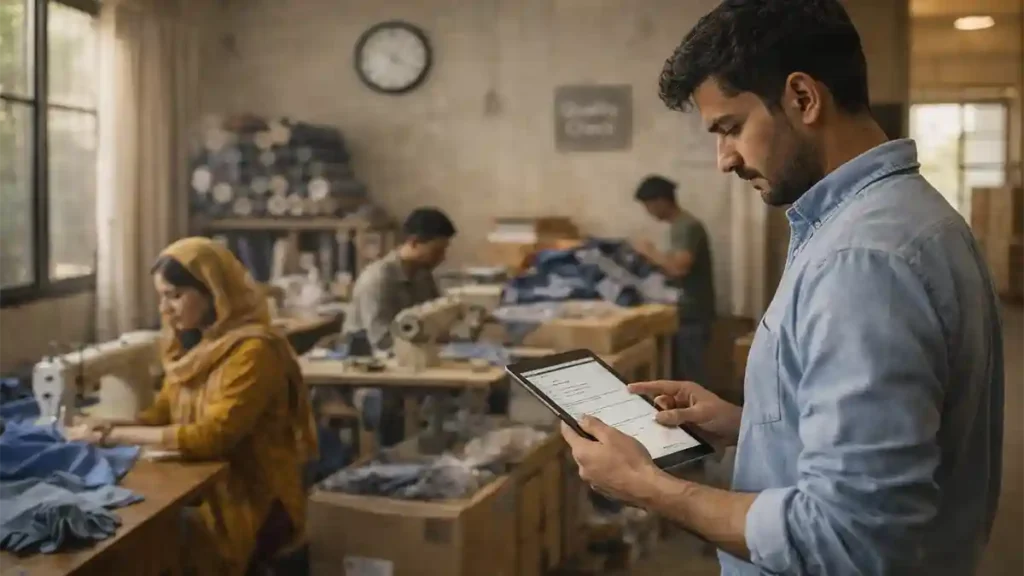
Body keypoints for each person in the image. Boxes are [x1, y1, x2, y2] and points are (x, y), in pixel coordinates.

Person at [560, 1, 1004, 575]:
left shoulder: (861, 260)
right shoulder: (909, 217)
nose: (725, 160)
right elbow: (903, 440)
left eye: (730, 128)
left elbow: (851, 537)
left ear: (802, 98)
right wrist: (753, 425)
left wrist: (649, 487)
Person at [66, 237, 319, 576]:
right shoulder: (194, 346)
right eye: (162, 297)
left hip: (255, 498)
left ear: (214, 291)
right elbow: (162, 413)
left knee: (142, 541)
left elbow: (213, 437)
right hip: (212, 486)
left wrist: (116, 434)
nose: (165, 309)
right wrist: (106, 423)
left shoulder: (254, 352)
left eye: (175, 295)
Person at [631, 175, 715, 383]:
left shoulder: (687, 226)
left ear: (661, 201)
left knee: (692, 375)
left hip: (693, 312)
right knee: (681, 372)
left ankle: (700, 415)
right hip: (684, 311)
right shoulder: (679, 227)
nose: (648, 212)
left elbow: (679, 268)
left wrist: (650, 252)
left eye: (649, 206)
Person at [341, 207, 456, 351]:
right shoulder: (378, 280)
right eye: (436, 251)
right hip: (370, 360)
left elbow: (433, 320)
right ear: (414, 242)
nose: (442, 258)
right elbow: (381, 341)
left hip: (409, 355)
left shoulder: (422, 275)